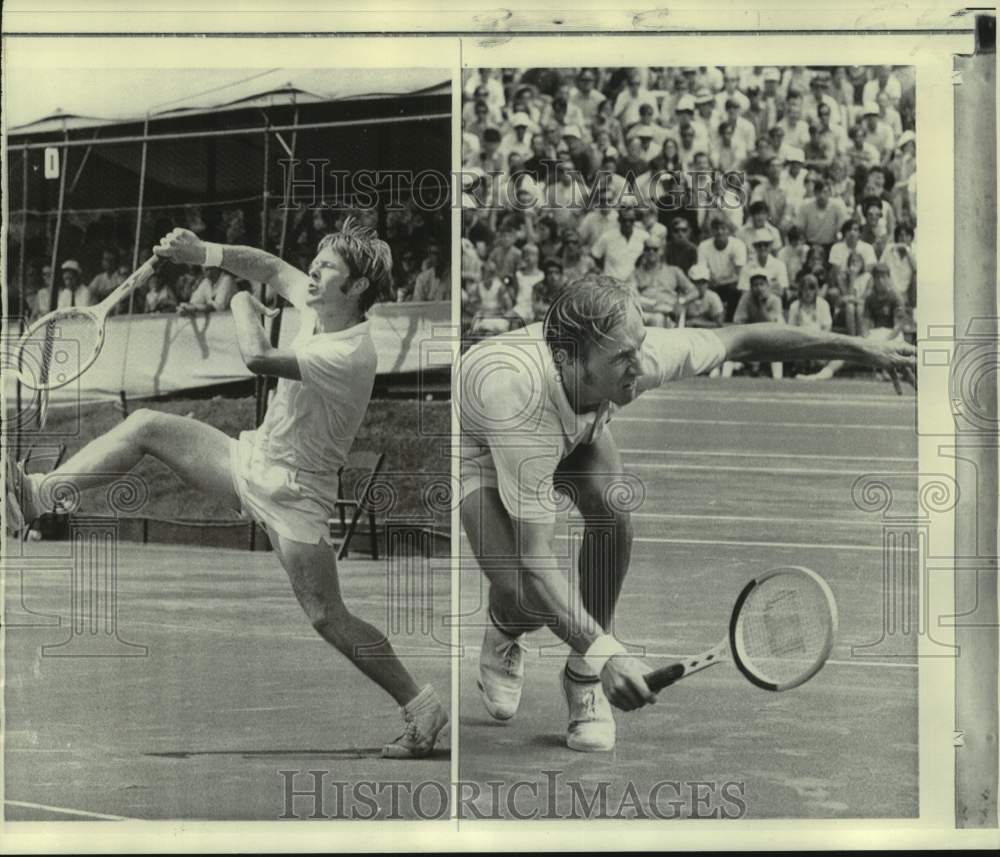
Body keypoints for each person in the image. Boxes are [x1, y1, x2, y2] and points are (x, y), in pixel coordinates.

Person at [6, 220, 448, 758]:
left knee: (327, 616)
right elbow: (265, 266)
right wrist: (203, 253)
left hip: (297, 494)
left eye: (328, 266)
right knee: (146, 425)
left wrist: (240, 305)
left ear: (355, 289)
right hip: (252, 459)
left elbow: (258, 358)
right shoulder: (313, 301)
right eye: (317, 259)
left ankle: (422, 708)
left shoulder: (353, 353)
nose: (312, 270)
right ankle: (38, 495)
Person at [458, 274, 916, 752]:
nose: (640, 364)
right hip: (484, 443)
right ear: (572, 361)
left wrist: (858, 348)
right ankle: (505, 627)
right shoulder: (518, 402)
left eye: (639, 346)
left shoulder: (631, 355)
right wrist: (612, 655)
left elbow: (740, 339)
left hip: (575, 415)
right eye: (622, 358)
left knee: (614, 508)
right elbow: (537, 561)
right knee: (527, 599)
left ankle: (582, 678)